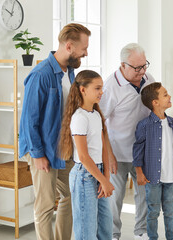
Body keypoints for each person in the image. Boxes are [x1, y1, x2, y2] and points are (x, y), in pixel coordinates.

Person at [18, 23, 91, 240]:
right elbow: (29, 120)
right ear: (69, 46)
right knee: (45, 205)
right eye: (83, 49)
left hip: (63, 148)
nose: (86, 53)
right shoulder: (41, 75)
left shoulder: (70, 72)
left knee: (71, 195)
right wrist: (38, 154)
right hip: (41, 148)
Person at [100, 43, 155, 240]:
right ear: (123, 65)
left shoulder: (148, 80)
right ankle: (113, 235)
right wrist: (109, 154)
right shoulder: (110, 87)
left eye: (144, 65)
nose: (142, 71)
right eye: (137, 67)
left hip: (142, 151)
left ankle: (141, 232)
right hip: (118, 151)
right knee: (115, 197)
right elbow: (101, 122)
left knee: (144, 194)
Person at [58, 70, 115, 239]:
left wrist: (106, 177)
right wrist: (103, 180)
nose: (101, 92)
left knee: (105, 228)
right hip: (84, 176)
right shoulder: (79, 117)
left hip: (99, 173)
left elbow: (103, 148)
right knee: (86, 232)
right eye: (97, 88)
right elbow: (83, 156)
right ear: (83, 90)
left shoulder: (96, 114)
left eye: (102, 88)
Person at [132, 82, 173, 240]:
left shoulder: (172, 122)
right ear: (155, 102)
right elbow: (137, 150)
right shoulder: (144, 125)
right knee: (153, 211)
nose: (169, 96)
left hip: (169, 176)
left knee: (170, 211)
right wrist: (139, 173)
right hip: (152, 176)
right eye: (165, 94)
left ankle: (171, 237)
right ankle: (152, 238)